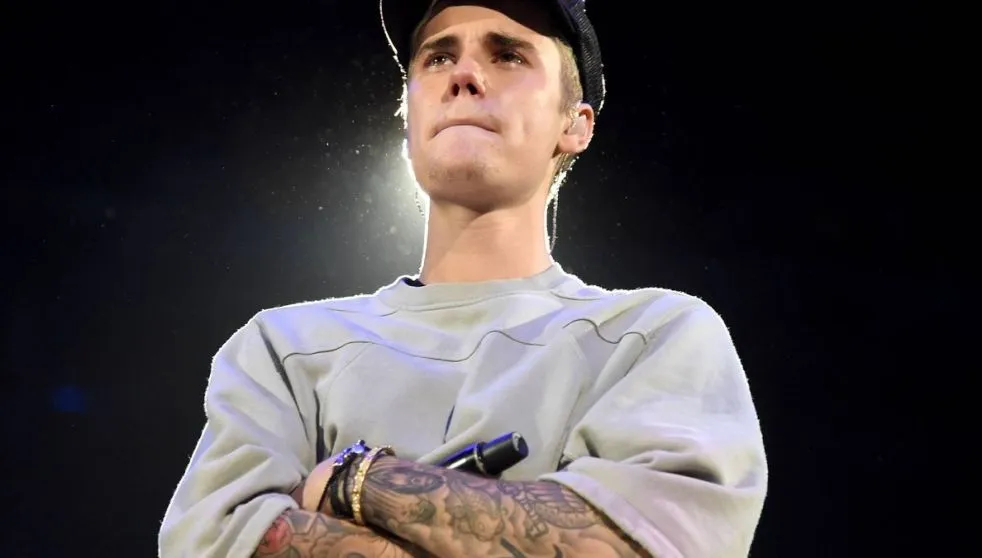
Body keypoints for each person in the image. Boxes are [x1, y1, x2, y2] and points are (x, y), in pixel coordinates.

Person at [158, 0, 769, 556]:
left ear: (575, 124)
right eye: (438, 57)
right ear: (408, 116)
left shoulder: (654, 336)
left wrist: (356, 481)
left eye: (508, 55)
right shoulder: (282, 349)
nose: (464, 74)